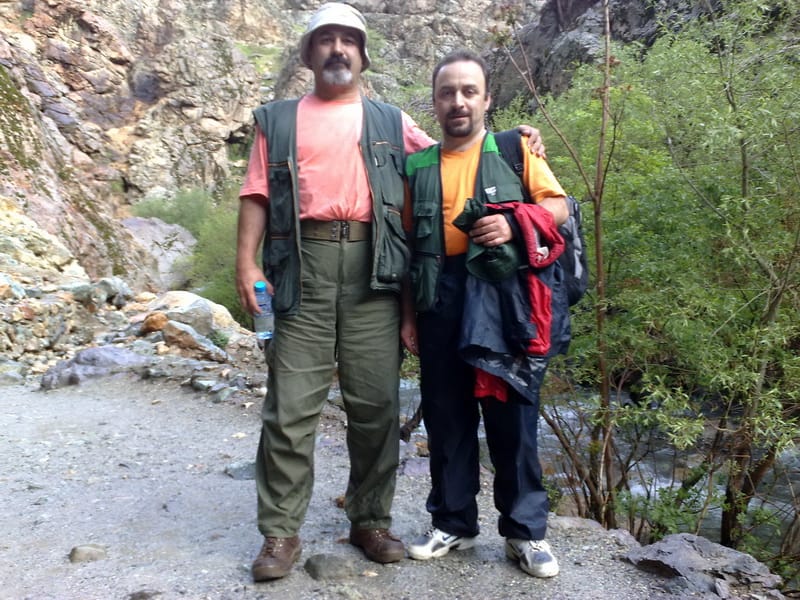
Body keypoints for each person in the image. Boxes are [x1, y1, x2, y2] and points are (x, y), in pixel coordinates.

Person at [236, 3, 545, 582]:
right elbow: (255, 193)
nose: (337, 49)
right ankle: (279, 532)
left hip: (377, 273)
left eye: (347, 41)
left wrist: (515, 139)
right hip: (301, 267)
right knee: (289, 409)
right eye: (325, 40)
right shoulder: (277, 120)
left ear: (362, 55)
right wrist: (246, 262)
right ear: (308, 55)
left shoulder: (390, 120)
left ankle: (370, 520)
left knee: (375, 407)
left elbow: (453, 153)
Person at [401, 49, 570, 579]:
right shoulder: (417, 166)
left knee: (512, 413)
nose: (458, 101)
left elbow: (560, 207)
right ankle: (453, 522)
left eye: (468, 91)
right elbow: (407, 248)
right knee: (446, 414)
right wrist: (408, 316)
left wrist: (515, 224)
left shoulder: (515, 150)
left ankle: (526, 532)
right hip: (438, 299)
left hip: (504, 299)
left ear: (487, 99)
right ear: (434, 103)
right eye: (447, 92)